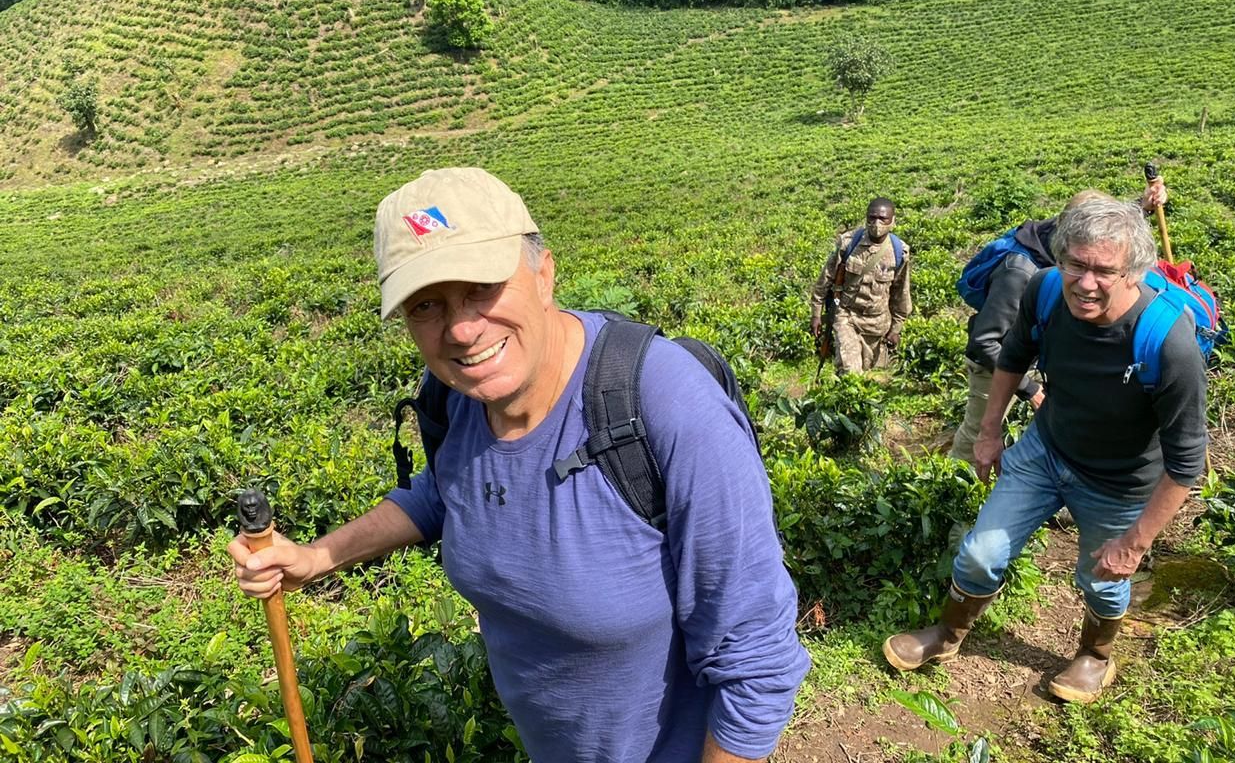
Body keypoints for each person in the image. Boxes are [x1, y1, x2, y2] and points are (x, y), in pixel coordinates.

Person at [228, 167, 809, 763]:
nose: (461, 329)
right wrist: (317, 558)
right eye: (426, 304)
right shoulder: (457, 397)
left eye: (482, 286)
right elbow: (446, 490)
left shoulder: (665, 403)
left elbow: (758, 662)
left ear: (544, 274)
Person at [883, 195, 1206, 704]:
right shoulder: (1046, 289)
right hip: (1046, 450)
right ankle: (948, 634)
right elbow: (1013, 355)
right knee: (980, 554)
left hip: (1120, 480)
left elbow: (1186, 462)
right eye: (1076, 264)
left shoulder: (1167, 342)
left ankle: (1095, 655)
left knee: (1102, 579)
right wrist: (989, 432)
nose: (1085, 283)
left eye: (1104, 271)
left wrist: (1136, 541)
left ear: (1133, 273)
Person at [950, 180, 1169, 469]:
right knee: (979, 432)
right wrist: (1029, 389)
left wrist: (1143, 206)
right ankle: (955, 485)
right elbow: (985, 342)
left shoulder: (1070, 238)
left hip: (1040, 351)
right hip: (995, 364)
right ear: (1068, 232)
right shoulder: (1019, 272)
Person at [809, 197, 912, 375]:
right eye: (872, 218)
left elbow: (901, 293)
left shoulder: (899, 252)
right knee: (850, 372)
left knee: (872, 373)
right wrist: (816, 315)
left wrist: (896, 329)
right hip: (847, 315)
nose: (877, 223)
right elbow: (825, 279)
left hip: (878, 323)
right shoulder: (848, 243)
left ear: (892, 220)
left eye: (883, 219)